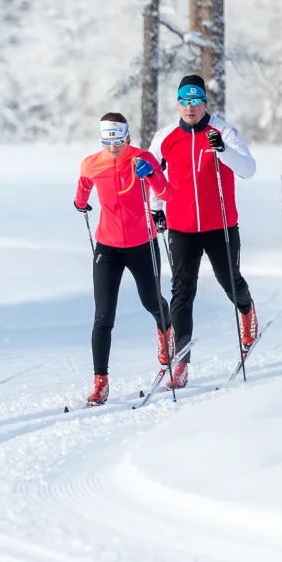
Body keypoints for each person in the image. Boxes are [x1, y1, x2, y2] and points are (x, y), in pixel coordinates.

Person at [152, 74, 258, 389]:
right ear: (177, 104)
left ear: (204, 102)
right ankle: (182, 363)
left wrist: (223, 150)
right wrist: (156, 209)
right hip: (181, 227)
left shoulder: (224, 132)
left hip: (220, 225)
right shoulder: (165, 137)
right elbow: (153, 175)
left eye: (195, 100)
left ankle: (246, 311)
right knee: (182, 292)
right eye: (184, 101)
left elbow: (248, 169)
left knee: (230, 281)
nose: (190, 107)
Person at [74, 113, 173, 407]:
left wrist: (151, 174)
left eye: (118, 141)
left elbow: (166, 193)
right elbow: (83, 188)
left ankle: (167, 337)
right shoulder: (91, 163)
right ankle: (100, 383)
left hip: (143, 243)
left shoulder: (142, 159)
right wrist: (81, 203)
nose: (113, 147)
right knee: (103, 316)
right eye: (107, 141)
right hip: (108, 247)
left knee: (152, 302)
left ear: (127, 137)